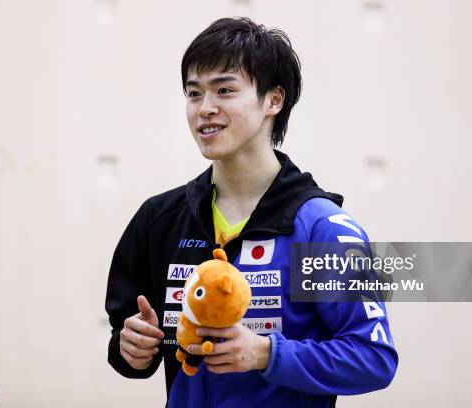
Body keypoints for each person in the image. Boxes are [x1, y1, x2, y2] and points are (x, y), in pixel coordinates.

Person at [105, 17, 398, 408]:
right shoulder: (159, 218)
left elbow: (373, 359)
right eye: (194, 94)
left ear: (273, 100)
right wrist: (131, 349)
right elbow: (130, 344)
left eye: (224, 90)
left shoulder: (322, 228)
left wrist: (266, 354)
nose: (205, 109)